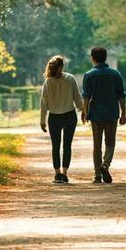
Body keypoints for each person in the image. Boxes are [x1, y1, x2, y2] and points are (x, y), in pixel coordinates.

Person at [81, 46, 126, 183]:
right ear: (105, 58)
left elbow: (86, 97)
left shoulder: (89, 75)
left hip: (96, 115)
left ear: (93, 58)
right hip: (112, 113)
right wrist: (123, 113)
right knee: (110, 142)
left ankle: (97, 175)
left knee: (97, 145)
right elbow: (121, 95)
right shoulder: (115, 74)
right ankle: (105, 164)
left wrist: (85, 112)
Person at [39, 55, 83, 183]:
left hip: (54, 117)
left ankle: (57, 174)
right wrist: (83, 111)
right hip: (70, 115)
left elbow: (43, 103)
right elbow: (77, 97)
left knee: (56, 146)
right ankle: (65, 173)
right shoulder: (70, 78)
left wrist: (42, 121)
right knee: (67, 145)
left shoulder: (48, 82)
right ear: (62, 66)